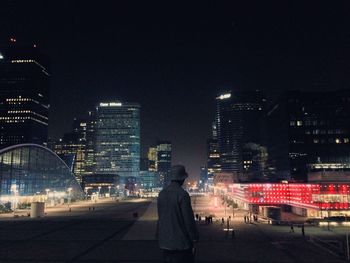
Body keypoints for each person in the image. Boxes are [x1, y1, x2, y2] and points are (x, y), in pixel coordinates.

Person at [157, 165, 199, 263]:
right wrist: (194, 237)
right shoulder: (182, 195)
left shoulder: (161, 194)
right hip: (181, 244)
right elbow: (188, 220)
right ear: (182, 179)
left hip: (165, 243)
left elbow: (160, 218)